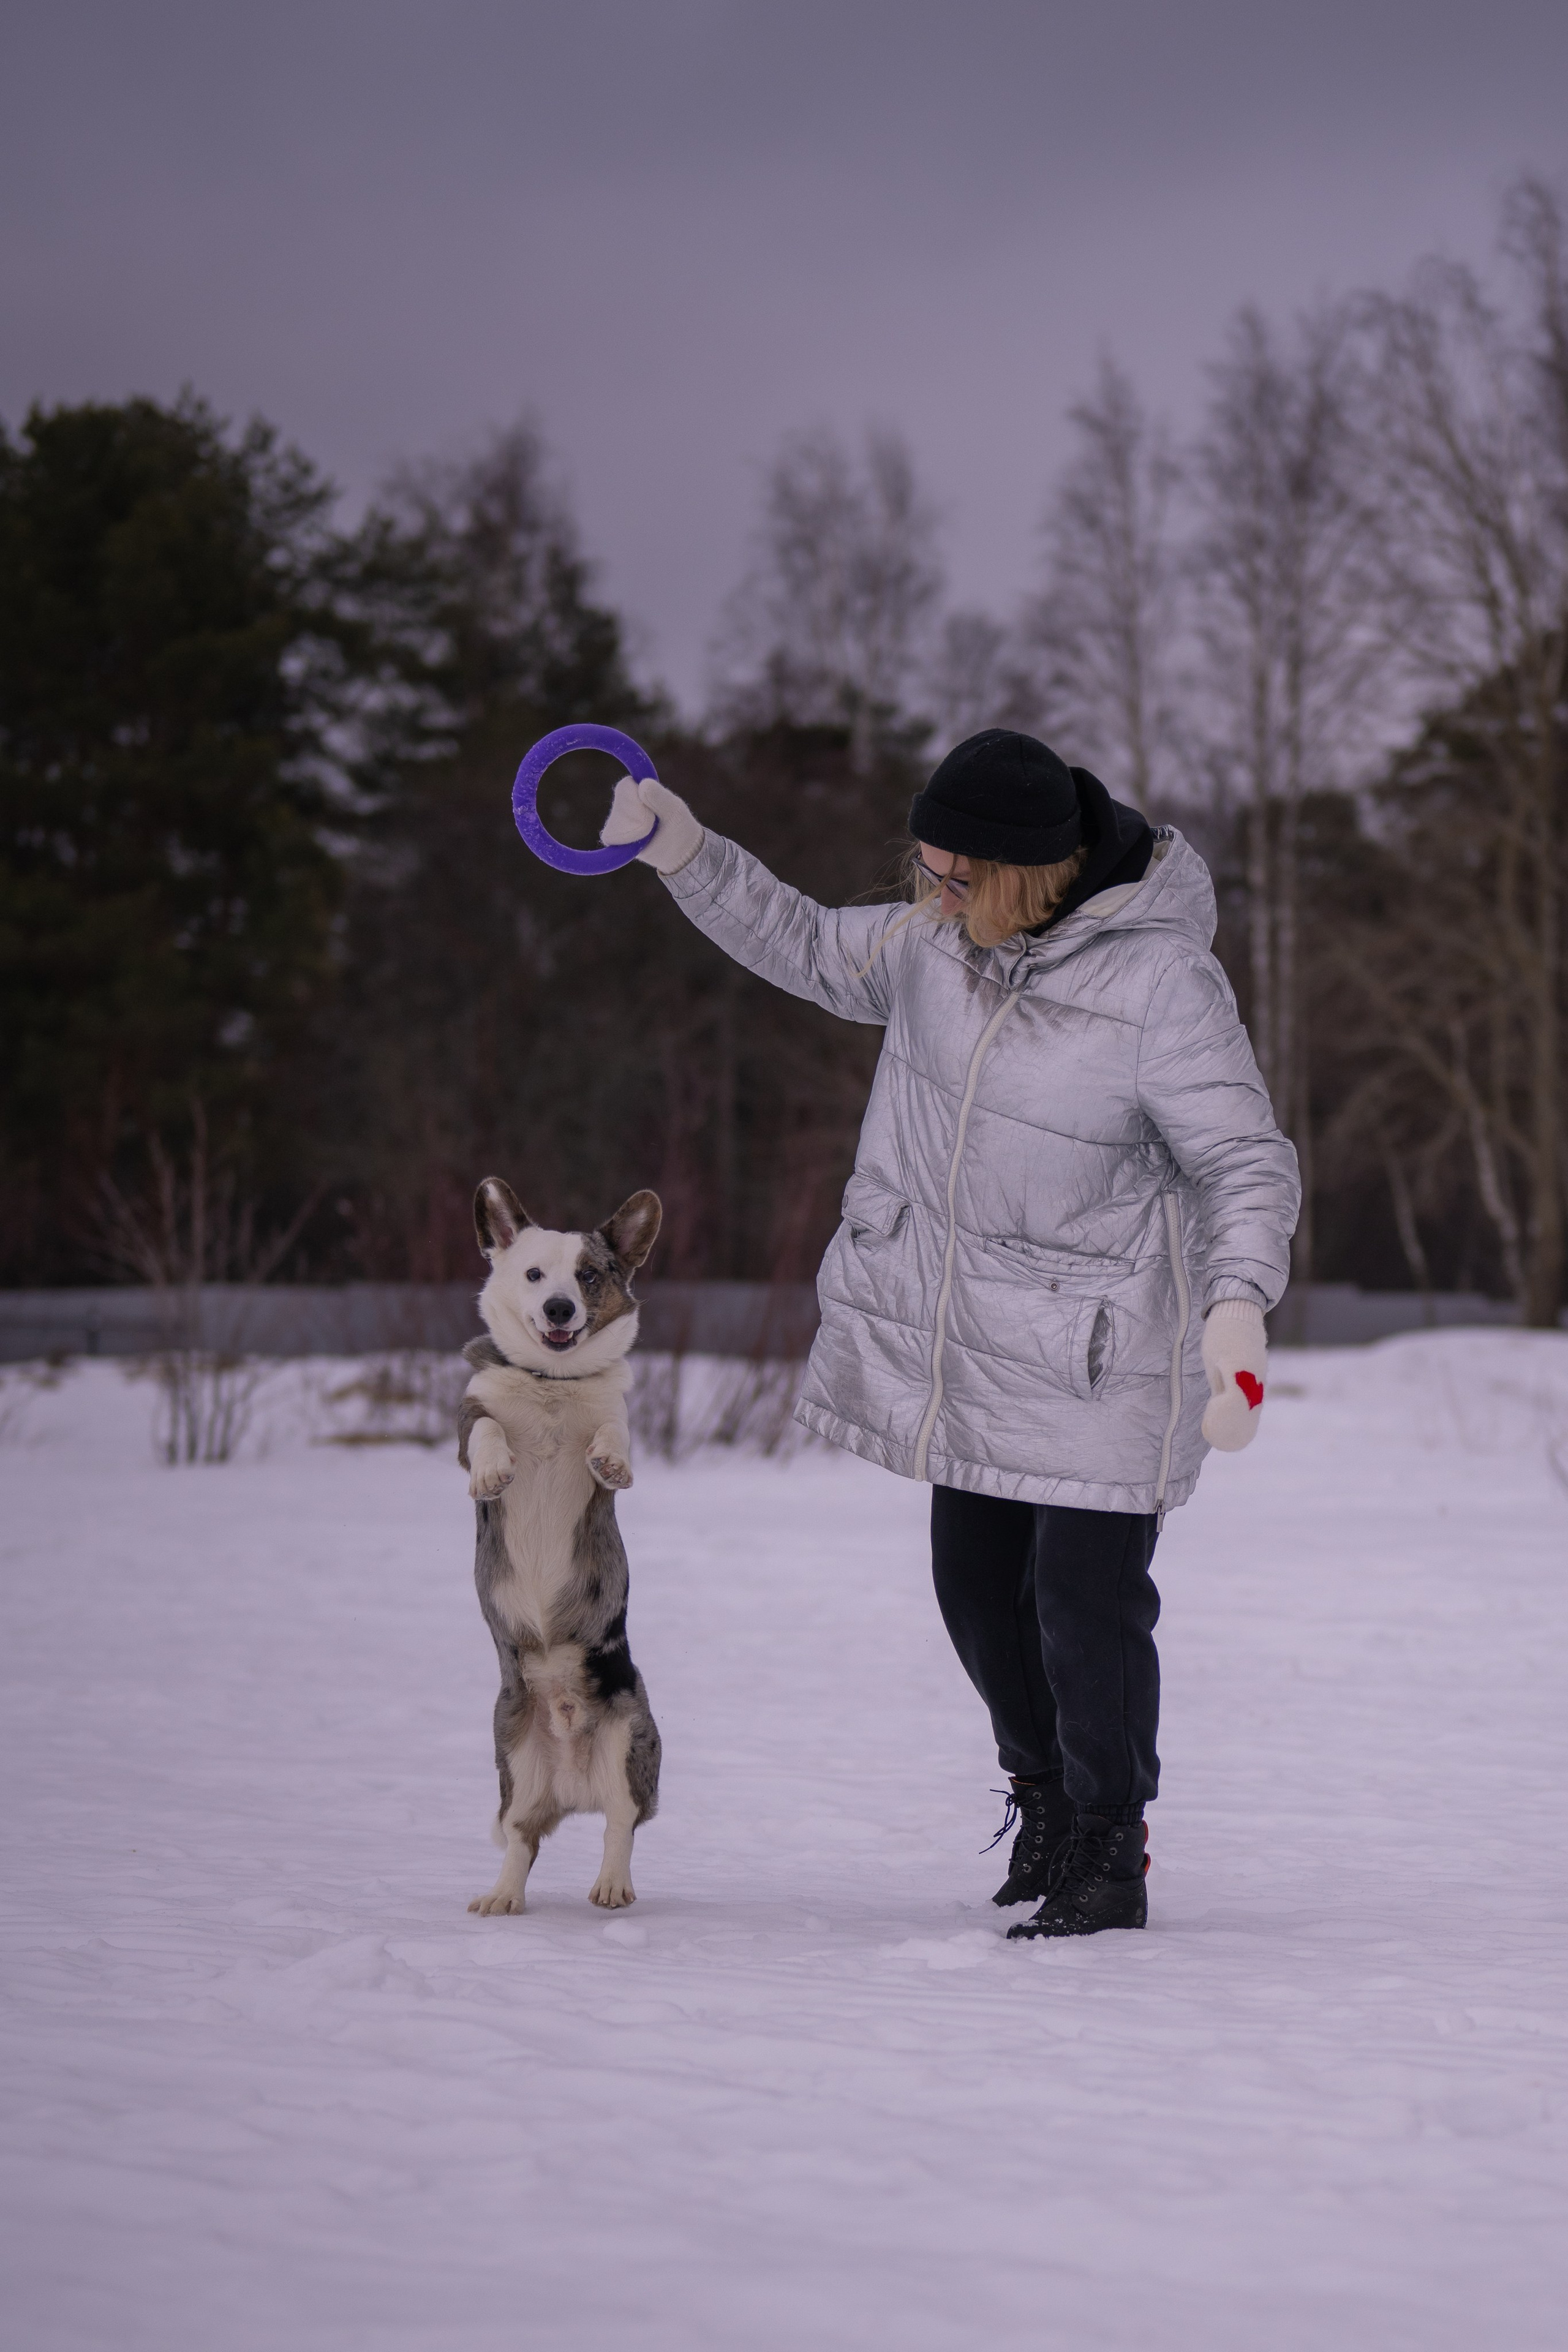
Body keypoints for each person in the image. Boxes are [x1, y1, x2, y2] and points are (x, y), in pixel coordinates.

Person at [601, 730, 1299, 1937]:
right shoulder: (932, 946)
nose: (934, 893)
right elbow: (807, 943)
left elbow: (1242, 1159)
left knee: (1084, 1608)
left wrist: (1236, 1307)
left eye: (956, 876)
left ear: (1029, 872)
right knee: (975, 1592)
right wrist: (684, 851)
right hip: (966, 1344)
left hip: (1100, 1351)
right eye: (925, 870)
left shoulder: (1159, 988)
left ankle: (1104, 1840)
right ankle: (1039, 1798)